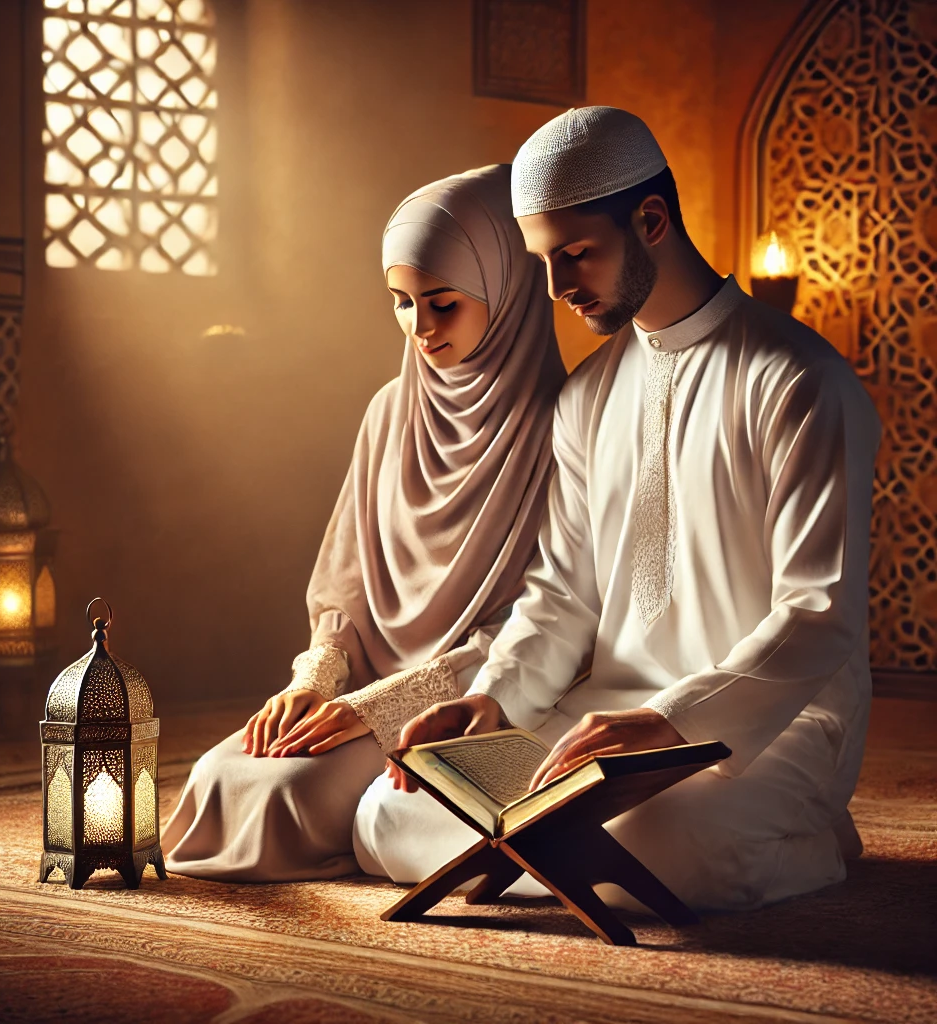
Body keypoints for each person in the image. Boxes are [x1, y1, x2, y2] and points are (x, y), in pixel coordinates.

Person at [354, 107, 880, 912]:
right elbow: (563, 592)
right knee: (390, 812)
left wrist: (672, 719)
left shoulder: (801, 381)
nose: (560, 286)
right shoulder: (589, 396)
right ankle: (562, 850)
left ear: (651, 218)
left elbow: (818, 613)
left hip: (759, 725)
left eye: (578, 254)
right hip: (599, 723)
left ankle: (809, 831)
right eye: (545, 261)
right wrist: (492, 699)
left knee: (670, 841)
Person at [161, 164, 566, 881]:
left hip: (476, 699)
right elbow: (342, 592)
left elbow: (543, 623)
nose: (422, 329)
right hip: (356, 685)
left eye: (443, 303)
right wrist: (315, 682)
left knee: (287, 793)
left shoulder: (563, 427)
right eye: (402, 304)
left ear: (507, 293)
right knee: (221, 776)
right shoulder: (389, 411)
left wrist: (378, 709)